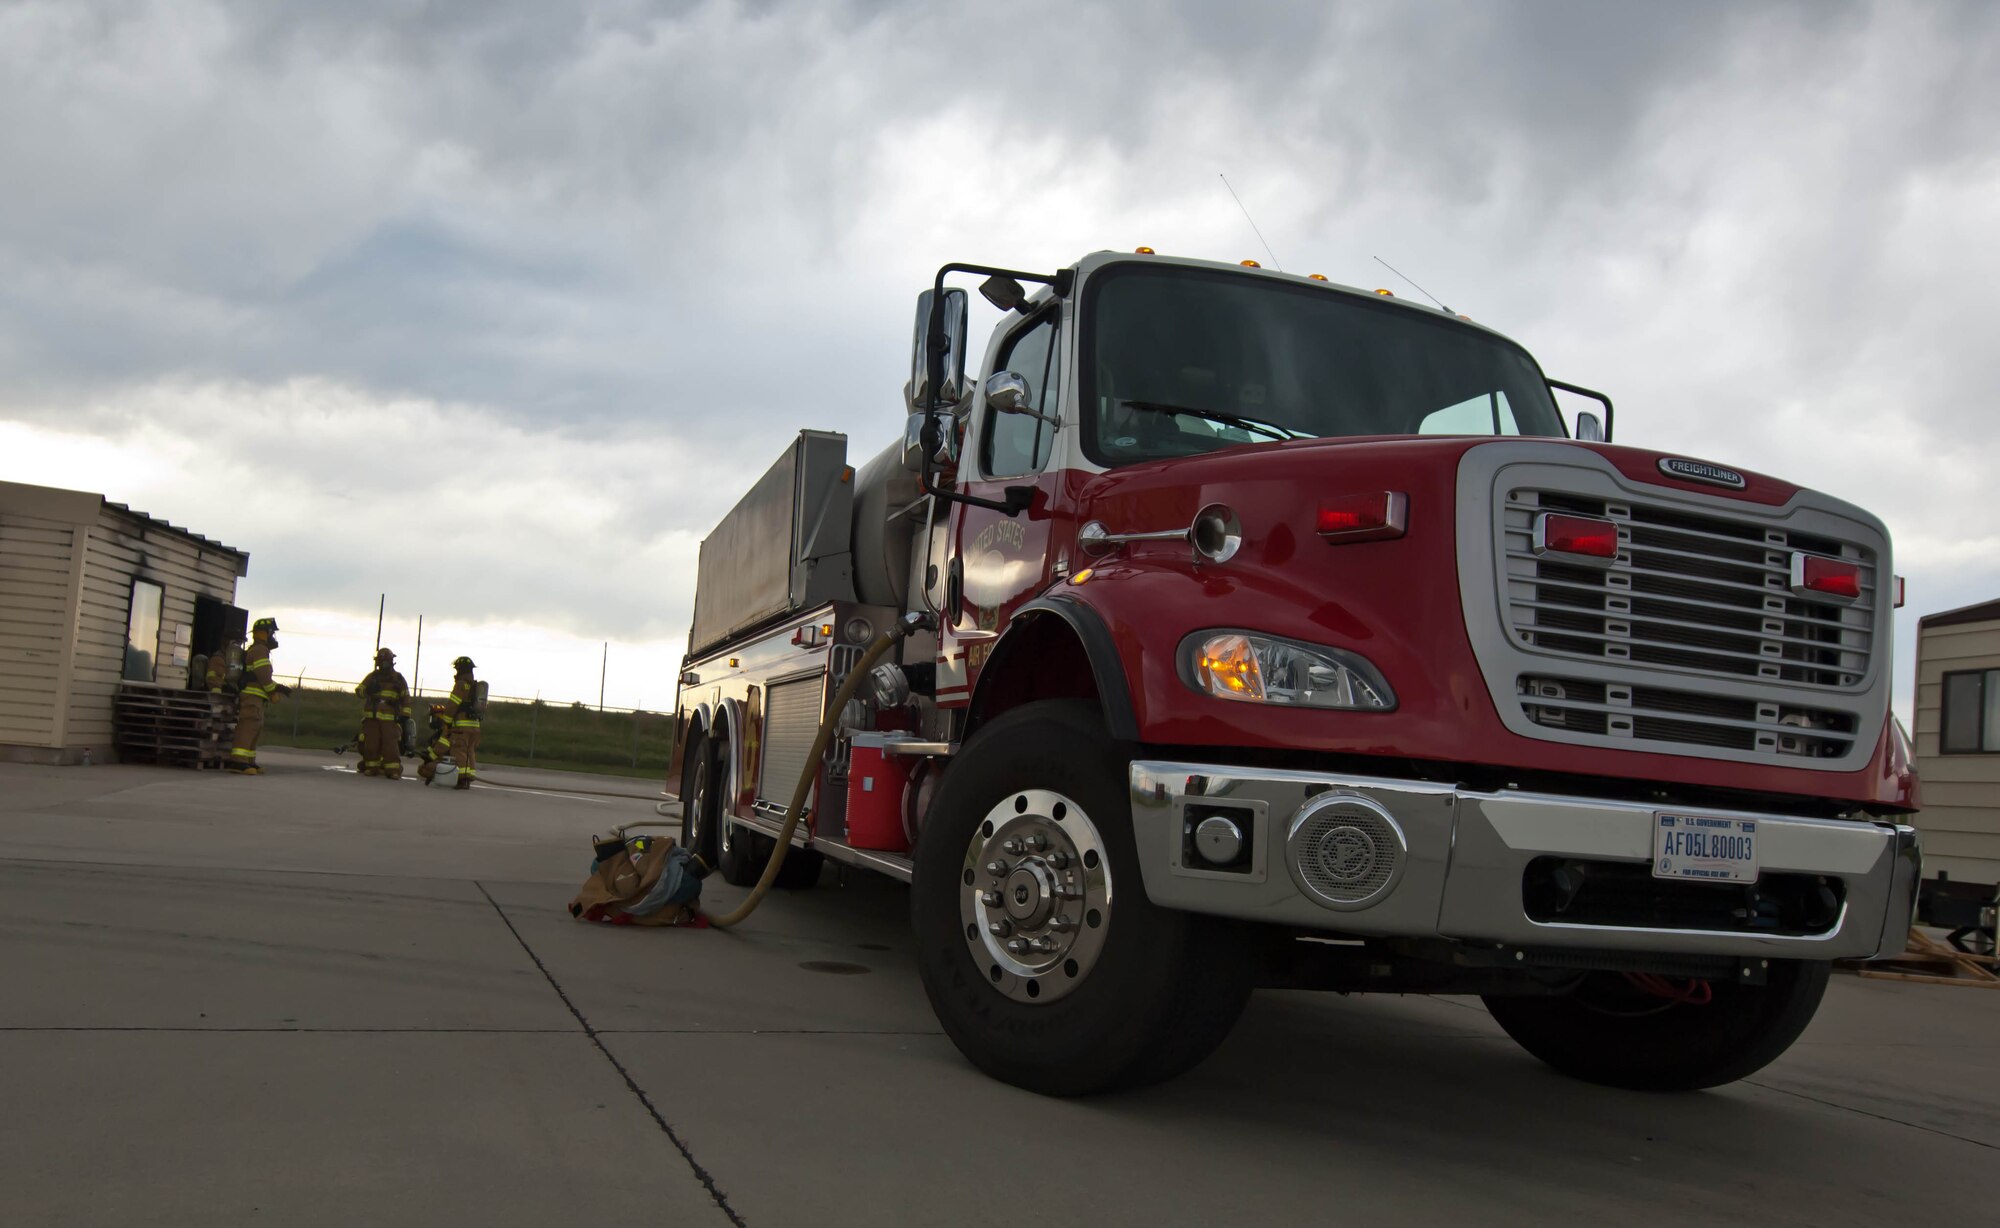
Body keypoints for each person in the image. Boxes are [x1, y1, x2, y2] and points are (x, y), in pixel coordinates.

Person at [226, 618, 289, 774]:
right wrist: (273, 691)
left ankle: (249, 761)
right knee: (247, 728)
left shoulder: (259, 649)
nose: (273, 636)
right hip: (251, 697)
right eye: (271, 633)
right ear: (263, 633)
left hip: (257, 698)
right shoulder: (260, 650)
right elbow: (263, 674)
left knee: (255, 728)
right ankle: (238, 762)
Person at [419, 656, 483, 790]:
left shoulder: (460, 685)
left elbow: (452, 705)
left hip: (461, 726)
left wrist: (446, 722)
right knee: (469, 751)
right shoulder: (475, 686)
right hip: (475, 727)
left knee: (458, 751)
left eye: (457, 669)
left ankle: (462, 779)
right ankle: (469, 777)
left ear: (460, 669)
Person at [357, 647, 412, 779]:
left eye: (385, 661)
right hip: (372, 718)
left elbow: (406, 698)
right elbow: (359, 691)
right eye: (380, 661)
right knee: (371, 744)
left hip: (390, 719)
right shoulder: (372, 677)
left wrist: (405, 715)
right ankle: (372, 768)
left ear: (391, 662)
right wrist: (368, 690)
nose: (382, 664)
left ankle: (393, 770)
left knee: (390, 746)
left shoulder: (398, 679)